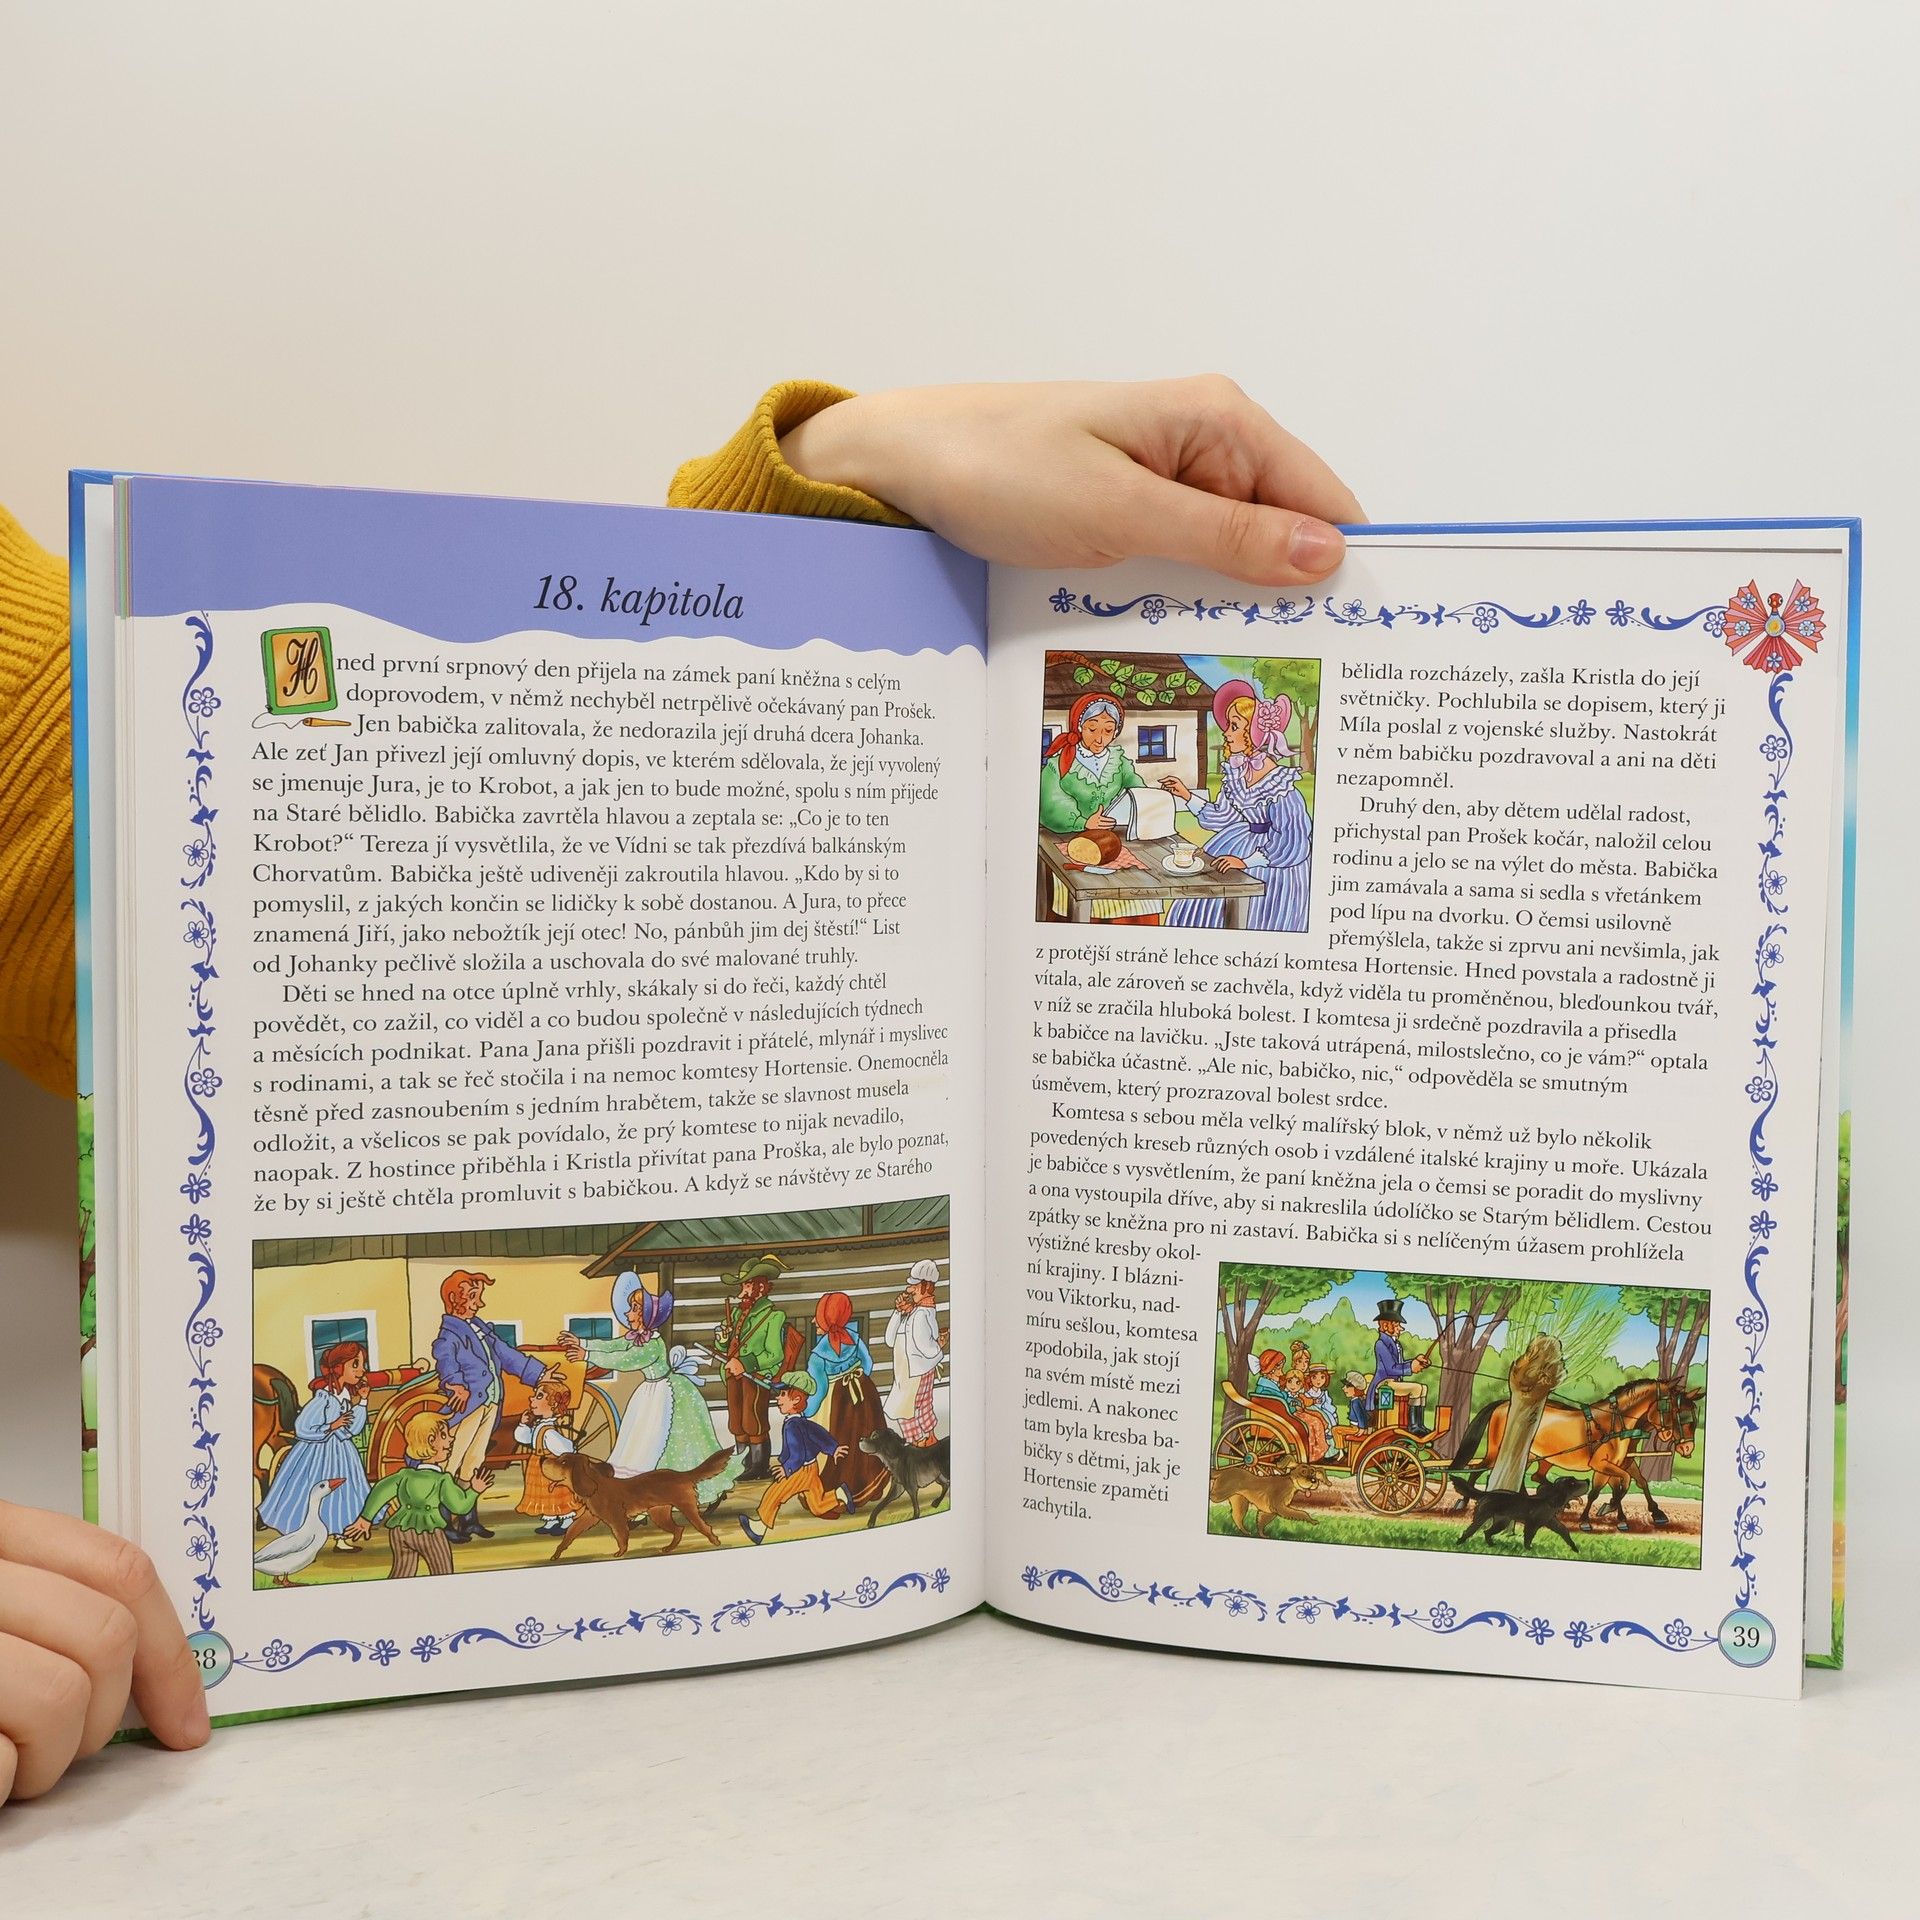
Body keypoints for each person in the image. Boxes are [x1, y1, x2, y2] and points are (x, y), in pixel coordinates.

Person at [0, 375, 1357, 1797]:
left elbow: (104, 855)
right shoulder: (575, 1328)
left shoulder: (729, 1318)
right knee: (583, 1425)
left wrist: (839, 480)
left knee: (759, 1410)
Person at [557, 1270, 743, 1510]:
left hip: (669, 1395)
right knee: (640, 1443)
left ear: (644, 1315)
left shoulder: (652, 1345)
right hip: (649, 1394)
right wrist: (583, 1343)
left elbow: (626, 1360)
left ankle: (695, 1492)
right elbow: (614, 1346)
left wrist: (587, 1355)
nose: (628, 1313)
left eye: (634, 1308)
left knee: (671, 1445)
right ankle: (640, 1497)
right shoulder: (637, 1337)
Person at [1160, 679, 1312, 932]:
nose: (1226, 733)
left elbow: (1292, 841)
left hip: (1272, 863)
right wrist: (1186, 795)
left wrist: (1247, 861)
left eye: (1234, 726)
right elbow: (1222, 816)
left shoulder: (1280, 786)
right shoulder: (1239, 775)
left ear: (1253, 734)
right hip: (1239, 840)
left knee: (1253, 912)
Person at [432, 1270, 563, 1543]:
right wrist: (455, 1384)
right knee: (452, 1463)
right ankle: (443, 1523)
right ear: (454, 1299)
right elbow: (445, 1359)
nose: (479, 1303)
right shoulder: (450, 1334)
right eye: (472, 1297)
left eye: (478, 1297)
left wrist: (540, 1374)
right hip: (468, 1406)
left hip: (489, 1404)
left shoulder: (479, 1327)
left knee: (473, 1462)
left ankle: (469, 1521)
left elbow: (506, 1354)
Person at [1038, 691, 1161, 925]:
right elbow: (1050, 802)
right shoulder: (1060, 763)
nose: (1099, 738)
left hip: (1115, 841)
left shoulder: (1118, 761)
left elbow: (1136, 789)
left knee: (1136, 883)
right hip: (1071, 840)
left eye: (1108, 730)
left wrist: (1146, 804)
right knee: (1083, 887)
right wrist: (1083, 822)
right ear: (1079, 727)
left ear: (1116, 732)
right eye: (1092, 728)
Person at [344, 1410, 490, 1577]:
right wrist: (474, 1490)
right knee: (443, 1574)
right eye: (444, 1435)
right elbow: (460, 1506)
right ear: (431, 1441)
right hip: (430, 1532)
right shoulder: (442, 1480)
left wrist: (365, 1518)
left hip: (400, 1531)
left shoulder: (404, 1475)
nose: (451, 1439)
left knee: (402, 1573)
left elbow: (381, 1489)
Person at [256, 1340, 372, 1551]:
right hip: (316, 1454)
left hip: (342, 1453)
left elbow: (352, 1429)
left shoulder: (344, 1397)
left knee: (343, 1494)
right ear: (339, 1368)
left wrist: (363, 1402)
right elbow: (303, 1427)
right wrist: (332, 1425)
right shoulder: (324, 1398)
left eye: (362, 1364)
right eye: (355, 1364)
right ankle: (305, 1539)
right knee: (311, 1492)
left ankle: (341, 1538)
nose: (361, 1370)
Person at [735, 1373, 853, 1545]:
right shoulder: (802, 1422)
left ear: (796, 1399)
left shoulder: (792, 1426)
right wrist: (833, 1448)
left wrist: (787, 1469)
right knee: (817, 1504)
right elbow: (818, 1434)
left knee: (774, 1494)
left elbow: (797, 1453)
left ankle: (759, 1528)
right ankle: (839, 1494)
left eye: (783, 1394)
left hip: (799, 1471)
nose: (778, 1398)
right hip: (811, 1469)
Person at [804, 1291, 889, 1506]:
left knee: (841, 1438)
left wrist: (807, 1411)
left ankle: (839, 1489)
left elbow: (818, 1389)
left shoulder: (817, 1356)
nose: (814, 1321)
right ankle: (871, 1485)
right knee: (866, 1433)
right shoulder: (855, 1338)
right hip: (864, 1393)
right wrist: (859, 1380)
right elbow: (867, 1364)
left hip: (838, 1401)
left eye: (818, 1317)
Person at [711, 1253, 790, 1481]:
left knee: (753, 1420)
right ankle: (742, 1462)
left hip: (755, 1377)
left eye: (747, 1284)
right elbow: (728, 1345)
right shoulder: (737, 1313)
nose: (743, 1290)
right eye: (743, 1285)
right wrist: (722, 1340)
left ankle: (758, 1466)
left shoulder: (773, 1316)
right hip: (732, 1375)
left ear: (761, 1288)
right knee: (736, 1421)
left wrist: (745, 1363)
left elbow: (775, 1355)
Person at [883, 1259, 946, 1445]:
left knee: (905, 1410)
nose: (910, 1290)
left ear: (926, 1287)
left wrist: (938, 1347)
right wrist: (899, 1312)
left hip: (915, 1372)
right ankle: (926, 1440)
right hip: (907, 1373)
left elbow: (926, 1346)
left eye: (915, 1286)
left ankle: (919, 1443)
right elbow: (889, 1339)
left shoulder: (921, 1314)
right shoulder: (914, 1312)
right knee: (919, 1407)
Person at [512, 1378, 580, 1537]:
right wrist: (523, 1425)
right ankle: (550, 1520)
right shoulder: (540, 1425)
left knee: (556, 1492)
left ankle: (566, 1520)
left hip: (551, 1466)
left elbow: (565, 1448)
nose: (532, 1399)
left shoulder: (549, 1431)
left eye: (539, 1396)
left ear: (553, 1404)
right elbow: (525, 1439)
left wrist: (567, 1453)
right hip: (538, 1465)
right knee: (545, 1493)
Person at [1369, 1298, 1432, 1435]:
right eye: (1397, 1324)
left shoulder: (1396, 1344)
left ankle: (1419, 1424)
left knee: (1423, 1388)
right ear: (1386, 1326)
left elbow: (1399, 1365)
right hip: (1383, 1383)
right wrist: (1411, 1367)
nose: (1400, 1328)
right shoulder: (1381, 1344)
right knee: (1416, 1388)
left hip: (1393, 1382)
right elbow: (1391, 1368)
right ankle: (1413, 1426)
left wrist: (1416, 1361)